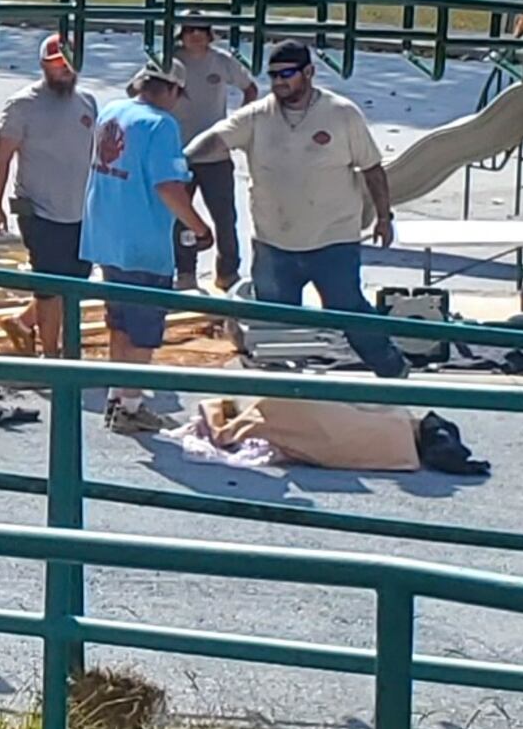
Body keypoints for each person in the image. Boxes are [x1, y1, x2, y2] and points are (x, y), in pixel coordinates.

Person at [186, 40, 406, 379]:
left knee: (350, 313)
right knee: (275, 326)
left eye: (287, 74)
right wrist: (179, 160)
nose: (278, 83)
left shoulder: (341, 113)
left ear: (309, 73)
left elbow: (372, 169)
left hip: (333, 241)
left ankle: (392, 372)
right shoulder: (257, 116)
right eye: (273, 75)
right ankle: (286, 392)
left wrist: (384, 216)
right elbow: (215, 139)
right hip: (274, 244)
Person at [81, 64, 218, 433]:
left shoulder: (112, 111)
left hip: (106, 234)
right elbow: (168, 187)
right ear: (172, 91)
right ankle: (130, 407)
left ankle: (117, 395)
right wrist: (200, 227)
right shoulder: (162, 125)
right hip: (143, 241)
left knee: (119, 324)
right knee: (143, 329)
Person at [0, 36, 99, 360]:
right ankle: (53, 356)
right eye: (56, 63)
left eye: (67, 63)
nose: (63, 69)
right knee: (49, 286)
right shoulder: (23, 104)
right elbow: (1, 157)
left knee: (74, 280)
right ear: (44, 65)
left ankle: (23, 322)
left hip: (79, 210)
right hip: (39, 210)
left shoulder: (87, 102)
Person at [165, 23, 259, 290]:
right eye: (189, 30)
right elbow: (136, 88)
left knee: (225, 216)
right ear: (180, 34)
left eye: (201, 30)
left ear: (210, 34)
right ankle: (185, 272)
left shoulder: (221, 61)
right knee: (181, 215)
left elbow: (250, 88)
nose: (195, 36)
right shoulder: (171, 60)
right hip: (178, 152)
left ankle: (227, 272)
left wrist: (239, 123)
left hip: (216, 152)